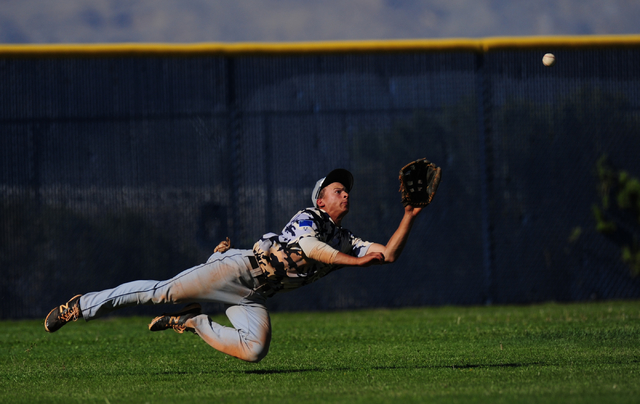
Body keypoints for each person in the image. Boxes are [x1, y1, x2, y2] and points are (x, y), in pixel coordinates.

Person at [44, 168, 425, 363]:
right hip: (238, 270)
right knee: (160, 291)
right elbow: (309, 249)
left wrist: (409, 215)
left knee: (255, 351)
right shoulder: (310, 217)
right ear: (321, 201)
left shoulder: (346, 239)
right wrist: (354, 264)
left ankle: (192, 321)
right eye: (336, 189)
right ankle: (80, 306)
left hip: (254, 294)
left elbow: (387, 254)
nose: (344, 192)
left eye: (346, 190)